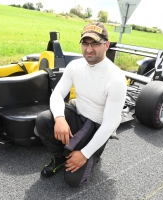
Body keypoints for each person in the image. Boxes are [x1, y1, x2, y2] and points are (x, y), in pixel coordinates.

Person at [35, 22, 127, 187]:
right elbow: (57, 94)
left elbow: (109, 124)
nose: (89, 49)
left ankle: (92, 155)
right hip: (78, 115)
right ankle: (59, 158)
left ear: (106, 45)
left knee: (73, 181)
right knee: (43, 119)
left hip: (98, 128)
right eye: (85, 43)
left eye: (95, 44)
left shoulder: (116, 78)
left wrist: (84, 153)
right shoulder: (75, 66)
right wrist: (60, 119)